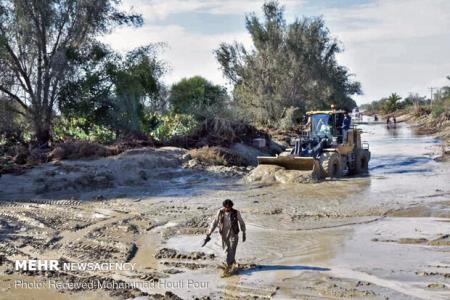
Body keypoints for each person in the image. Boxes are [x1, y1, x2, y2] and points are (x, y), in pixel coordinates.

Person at [206, 199, 246, 276]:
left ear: (231, 206)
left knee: (232, 248)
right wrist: (209, 232)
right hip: (224, 233)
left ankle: (229, 266)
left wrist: (244, 232)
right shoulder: (220, 212)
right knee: (226, 250)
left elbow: (241, 222)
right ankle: (231, 262)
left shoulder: (236, 212)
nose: (228, 209)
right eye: (226, 207)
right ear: (224, 206)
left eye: (229, 207)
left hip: (233, 233)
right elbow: (215, 222)